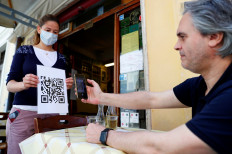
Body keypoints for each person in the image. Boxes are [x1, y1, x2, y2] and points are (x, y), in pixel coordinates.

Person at [80, 0, 232, 153]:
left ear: (214, 37)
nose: (176, 46)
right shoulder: (200, 85)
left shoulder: (229, 96)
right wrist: (101, 97)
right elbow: (151, 99)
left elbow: (162, 148)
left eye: (183, 37)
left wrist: (104, 135)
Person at [6, 14, 73, 154]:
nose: (51, 34)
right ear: (39, 29)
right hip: (24, 113)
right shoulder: (24, 51)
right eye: (48, 30)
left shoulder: (62, 59)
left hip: (53, 115)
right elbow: (9, 84)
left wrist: (66, 85)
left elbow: (63, 86)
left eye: (55, 32)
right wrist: (23, 84)